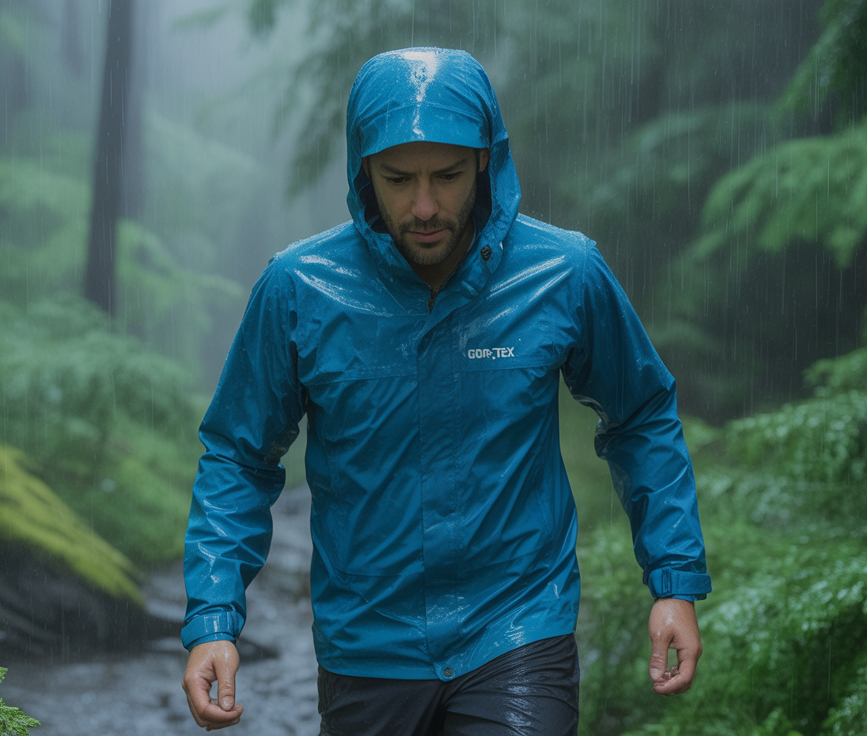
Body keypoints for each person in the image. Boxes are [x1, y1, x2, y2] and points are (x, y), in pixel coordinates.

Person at [180, 47, 710, 734]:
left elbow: (639, 416)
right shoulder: (299, 289)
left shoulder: (564, 273)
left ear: (487, 160)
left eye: (449, 176)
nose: (424, 206)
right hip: (367, 645)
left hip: (517, 629)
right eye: (399, 179)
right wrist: (214, 618)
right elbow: (239, 457)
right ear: (362, 168)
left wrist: (673, 578)